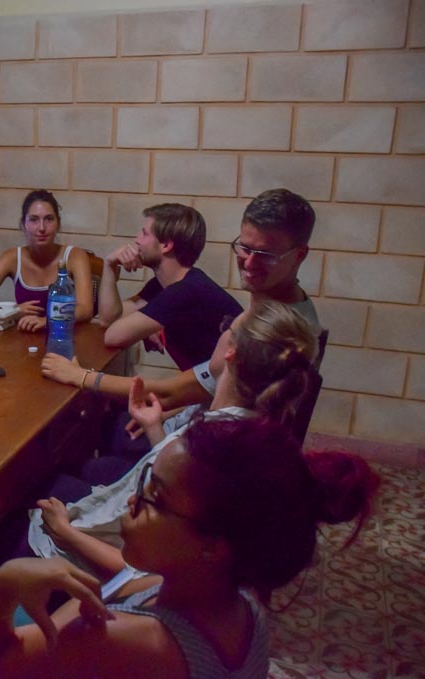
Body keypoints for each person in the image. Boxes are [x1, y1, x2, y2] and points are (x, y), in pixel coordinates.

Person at [0, 417, 377, 679]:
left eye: (154, 498)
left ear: (213, 546)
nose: (133, 502)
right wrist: (70, 539)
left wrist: (2, 587)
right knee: (49, 588)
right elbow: (134, 576)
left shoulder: (129, 643)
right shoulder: (238, 600)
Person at [28, 299, 322, 573]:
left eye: (227, 329)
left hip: (98, 571)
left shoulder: (208, 450)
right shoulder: (251, 434)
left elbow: (145, 573)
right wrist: (156, 429)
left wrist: (66, 534)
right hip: (118, 544)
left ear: (230, 353)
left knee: (25, 501)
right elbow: (185, 483)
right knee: (59, 481)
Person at [42, 188, 322, 413]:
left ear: (299, 255)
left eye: (265, 254)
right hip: (207, 418)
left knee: (99, 425)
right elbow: (109, 320)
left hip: (220, 452)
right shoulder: (273, 309)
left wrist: (79, 376)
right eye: (245, 247)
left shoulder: (277, 330)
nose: (249, 262)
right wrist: (111, 272)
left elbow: (174, 390)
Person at [97, 203, 240, 370]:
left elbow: (112, 336)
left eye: (144, 234)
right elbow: (108, 320)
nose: (136, 239)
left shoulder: (186, 290)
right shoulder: (164, 285)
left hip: (236, 392)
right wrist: (109, 266)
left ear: (166, 245)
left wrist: (145, 326)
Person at [0, 190, 94, 332]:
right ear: (23, 224)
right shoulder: (12, 257)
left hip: (64, 338)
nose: (41, 228)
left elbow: (85, 309)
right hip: (25, 340)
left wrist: (47, 321)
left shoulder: (75, 256)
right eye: (34, 219)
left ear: (58, 223)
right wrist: (12, 311)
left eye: (49, 219)